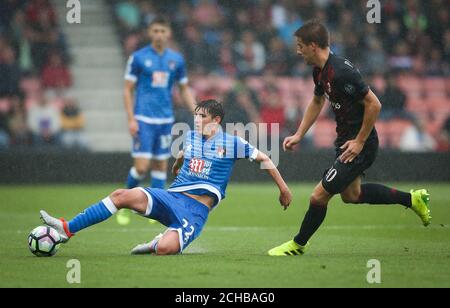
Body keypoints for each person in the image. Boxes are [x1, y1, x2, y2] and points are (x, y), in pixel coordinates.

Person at [39, 100, 292, 255]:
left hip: (194, 211)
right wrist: (177, 165)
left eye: (202, 116)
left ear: (216, 120)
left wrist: (283, 189)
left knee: (165, 250)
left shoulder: (233, 142)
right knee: (121, 195)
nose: (196, 119)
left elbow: (266, 159)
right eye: (195, 115)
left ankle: (158, 241)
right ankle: (67, 228)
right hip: (170, 197)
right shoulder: (191, 136)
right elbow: (183, 153)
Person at [268, 20, 432, 257]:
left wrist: (360, 141)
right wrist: (299, 134)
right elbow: (317, 101)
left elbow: (374, 104)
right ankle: (413, 199)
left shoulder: (342, 72)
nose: (297, 50)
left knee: (319, 195)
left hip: (358, 145)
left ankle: (298, 244)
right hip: (345, 141)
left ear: (313, 46)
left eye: (300, 45)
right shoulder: (319, 71)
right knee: (351, 196)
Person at [120, 17, 197, 225]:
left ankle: (155, 209)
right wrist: (131, 119)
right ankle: (124, 204)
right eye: (155, 30)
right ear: (149, 33)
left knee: (161, 165)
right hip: (143, 119)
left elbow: (183, 89)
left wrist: (196, 111)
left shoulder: (176, 60)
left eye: (163, 30)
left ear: (168, 33)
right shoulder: (138, 58)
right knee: (142, 167)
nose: (159, 34)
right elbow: (127, 89)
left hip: (165, 119)